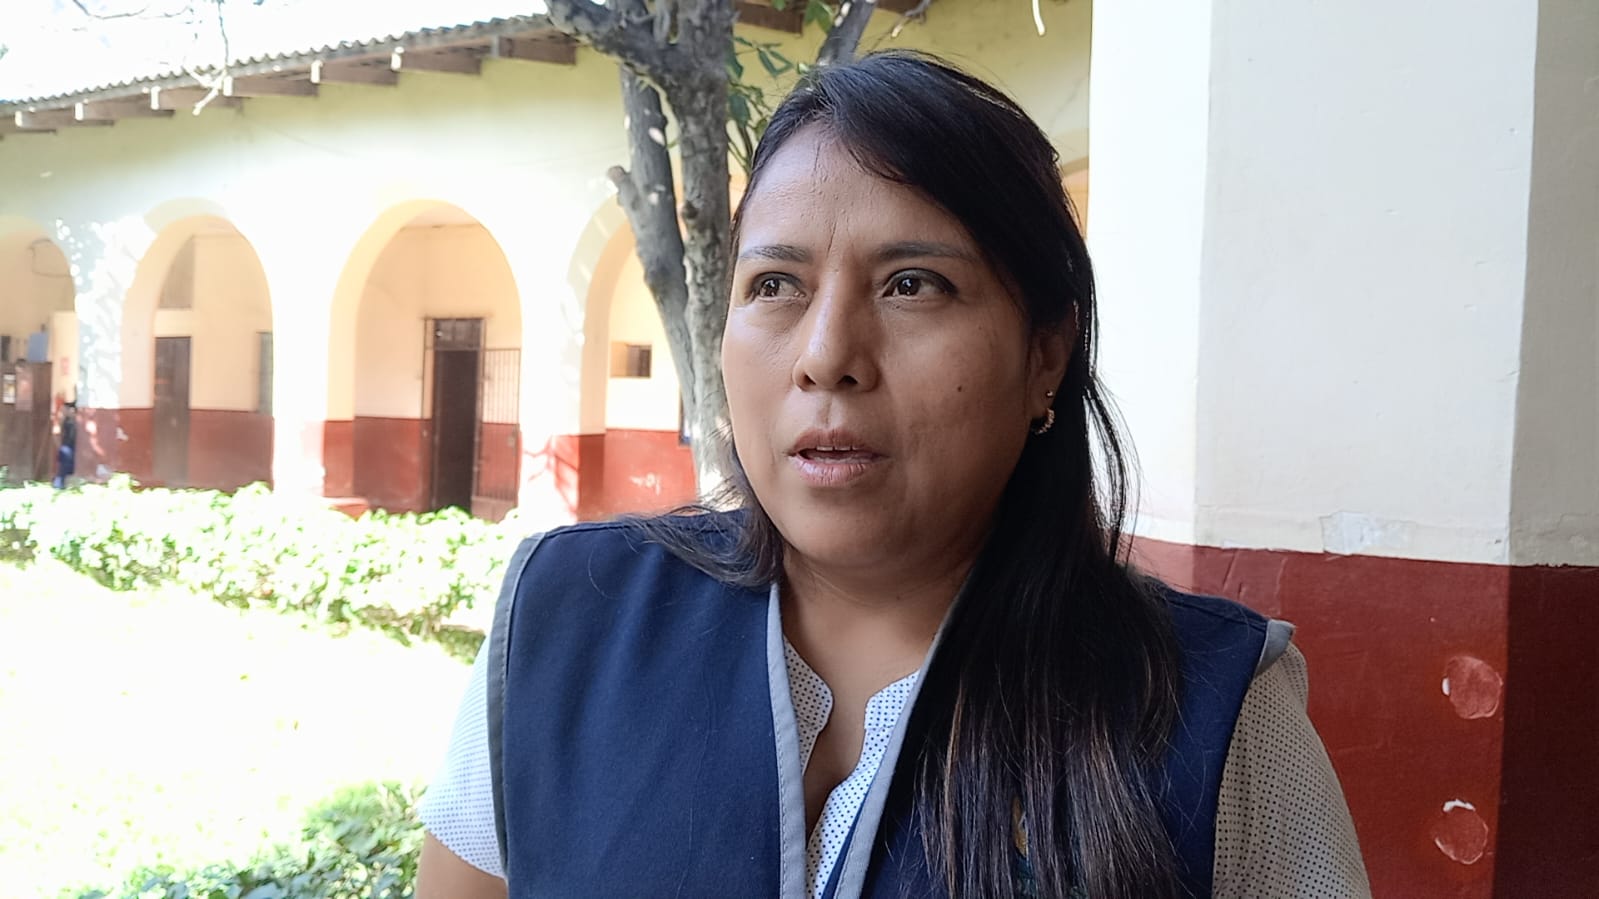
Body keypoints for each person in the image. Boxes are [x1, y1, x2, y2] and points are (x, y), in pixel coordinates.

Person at [416, 52, 1370, 898]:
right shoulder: (566, 625)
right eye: (775, 285)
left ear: (1044, 354)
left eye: (913, 283)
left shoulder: (1210, 721)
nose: (826, 355)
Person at [53, 400, 76, 490]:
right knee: (63, 467)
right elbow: (57, 433)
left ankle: (61, 484)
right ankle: (58, 484)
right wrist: (60, 446)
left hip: (69, 446)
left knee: (67, 467)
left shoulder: (70, 420)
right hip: (66, 446)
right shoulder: (66, 420)